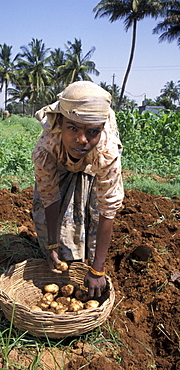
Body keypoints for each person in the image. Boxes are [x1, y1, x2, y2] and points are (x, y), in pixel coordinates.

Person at [32, 81, 124, 298]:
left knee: (90, 209)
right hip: (59, 159)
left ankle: (88, 262)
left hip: (94, 163)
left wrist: (98, 269)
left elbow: (107, 208)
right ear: (61, 123)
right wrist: (51, 244)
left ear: (101, 129)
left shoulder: (106, 152)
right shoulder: (47, 146)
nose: (82, 140)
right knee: (46, 215)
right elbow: (49, 195)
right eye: (72, 128)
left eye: (92, 132)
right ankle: (57, 253)